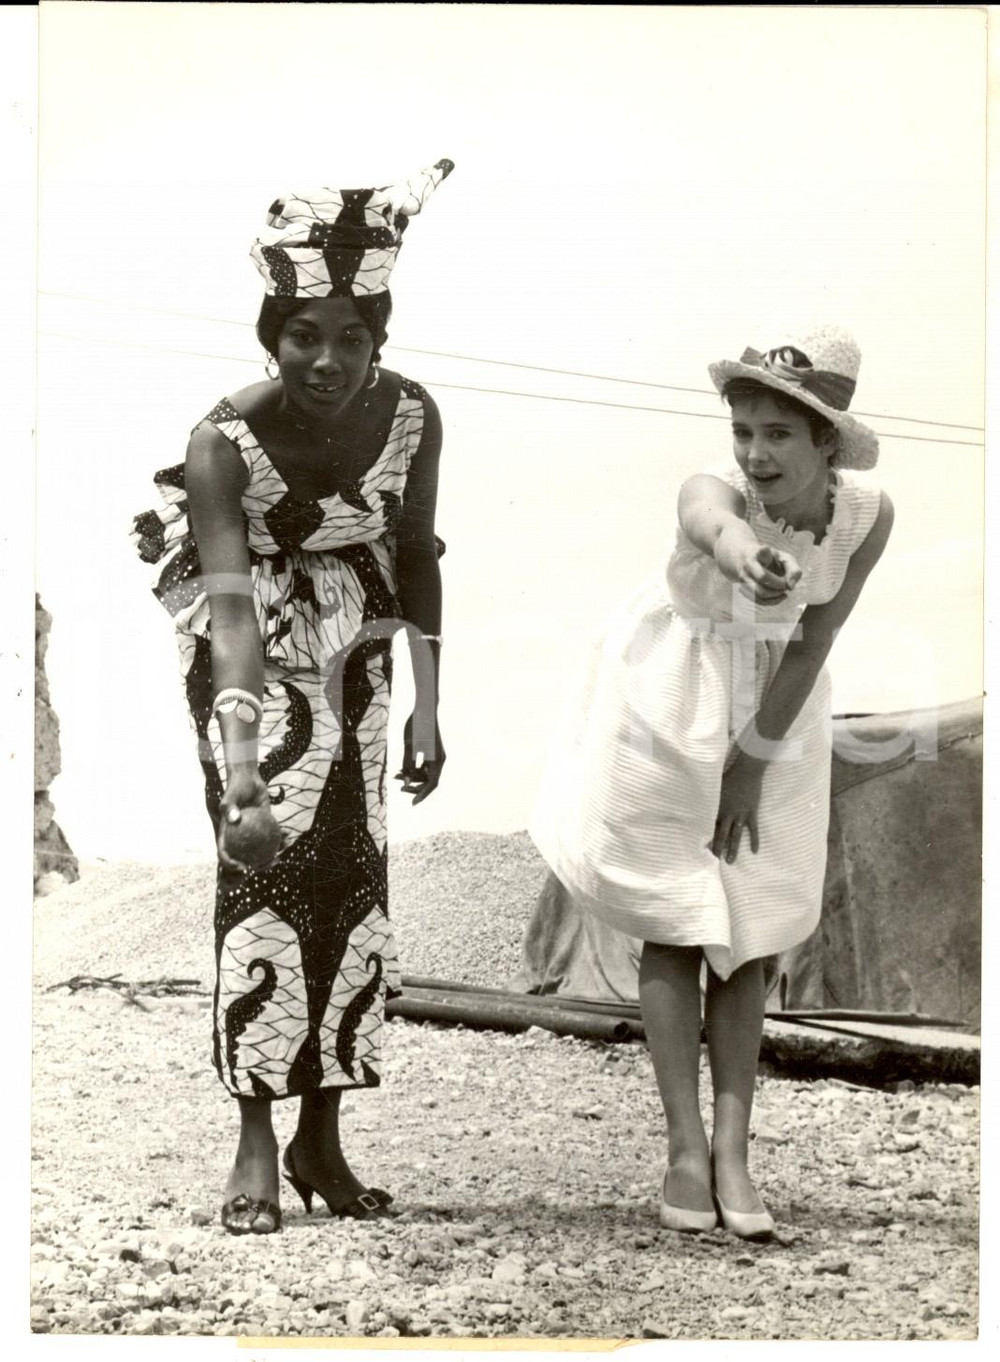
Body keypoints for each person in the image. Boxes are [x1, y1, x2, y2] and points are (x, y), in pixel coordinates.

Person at [131, 159, 454, 1234]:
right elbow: (227, 612)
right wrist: (238, 772)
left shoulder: (413, 417)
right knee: (261, 886)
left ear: (379, 340)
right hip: (251, 674)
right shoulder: (221, 441)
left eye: (350, 338)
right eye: (303, 335)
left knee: (353, 885)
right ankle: (255, 1140)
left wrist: (428, 703)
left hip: (361, 658)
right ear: (273, 334)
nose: (325, 359)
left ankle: (324, 1133)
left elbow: (415, 557)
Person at [531, 325, 893, 1239]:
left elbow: (815, 637)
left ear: (825, 441)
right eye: (744, 430)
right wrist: (744, 555)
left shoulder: (868, 515)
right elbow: (714, 525)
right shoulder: (713, 490)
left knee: (755, 923)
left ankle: (735, 1149)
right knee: (678, 915)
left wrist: (751, 767)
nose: (756, 453)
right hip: (671, 698)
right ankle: (684, 1149)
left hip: (776, 714)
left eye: (779, 434)